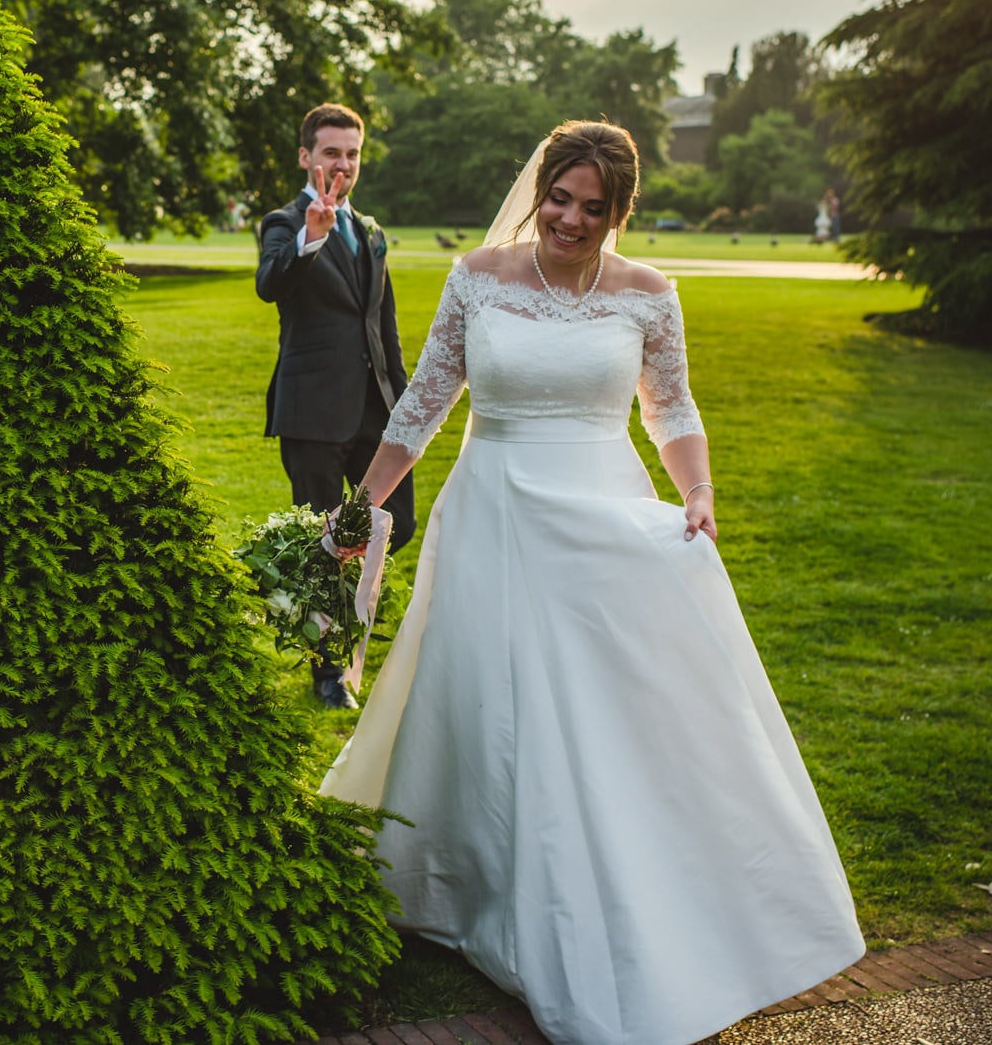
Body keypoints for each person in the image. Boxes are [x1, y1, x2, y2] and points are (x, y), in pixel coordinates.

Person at [322, 121, 864, 1045]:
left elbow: (673, 405)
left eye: (593, 207)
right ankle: (476, 882)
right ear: (541, 190)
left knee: (598, 710)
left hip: (599, 516)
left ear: (619, 212)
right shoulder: (478, 276)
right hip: (493, 511)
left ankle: (611, 885)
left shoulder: (649, 294)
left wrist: (697, 491)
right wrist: (360, 509)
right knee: (491, 705)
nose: (570, 219)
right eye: (560, 198)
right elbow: (425, 400)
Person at [256, 102, 418, 709]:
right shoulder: (284, 221)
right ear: (306, 157)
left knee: (395, 520)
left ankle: (334, 597)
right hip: (312, 412)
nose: (342, 165)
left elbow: (385, 327)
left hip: (376, 413)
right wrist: (310, 239)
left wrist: (405, 408)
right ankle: (328, 677)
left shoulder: (372, 230)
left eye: (351, 154)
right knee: (326, 541)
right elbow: (271, 283)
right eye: (331, 153)